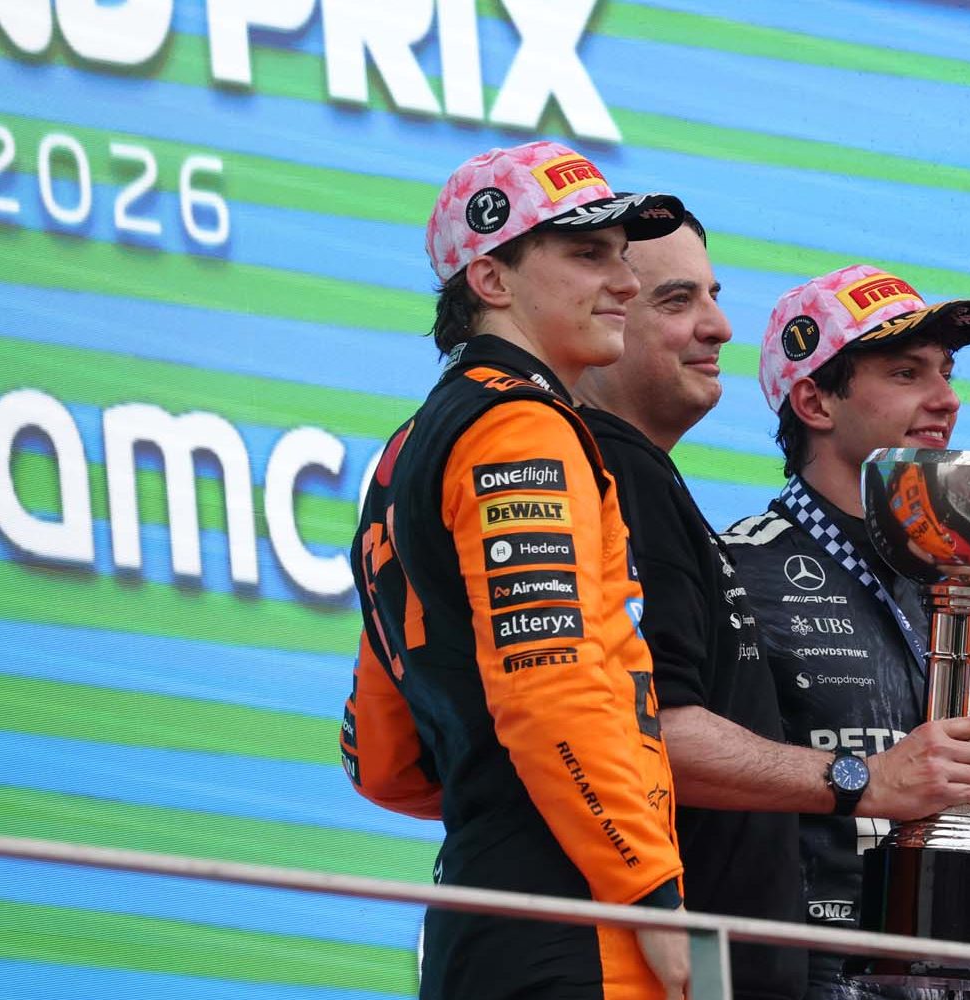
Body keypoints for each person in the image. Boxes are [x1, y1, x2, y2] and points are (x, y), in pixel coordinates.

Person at [338, 140, 691, 1000]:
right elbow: (550, 686)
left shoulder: (405, 449)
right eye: (585, 254)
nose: (626, 283)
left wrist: (493, 789)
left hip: (476, 912)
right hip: (583, 919)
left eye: (622, 255)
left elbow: (381, 757)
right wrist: (649, 893)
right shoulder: (523, 428)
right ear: (491, 280)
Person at [719, 266, 970, 1000]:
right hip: (798, 973)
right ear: (814, 399)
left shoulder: (964, 576)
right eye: (907, 373)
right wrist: (863, 781)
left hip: (955, 973)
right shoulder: (735, 568)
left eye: (946, 372)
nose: (945, 399)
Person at [571, 211, 807, 1000]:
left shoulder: (643, 474)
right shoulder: (613, 472)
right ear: (605, 318)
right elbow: (658, 728)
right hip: (665, 964)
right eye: (676, 302)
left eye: (713, 294)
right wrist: (862, 778)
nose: (719, 326)